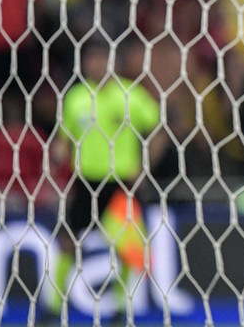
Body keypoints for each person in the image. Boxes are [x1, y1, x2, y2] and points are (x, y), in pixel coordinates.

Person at [48, 39, 162, 314]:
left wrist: (145, 165)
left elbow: (159, 129)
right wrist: (58, 155)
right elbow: (64, 139)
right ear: (85, 64)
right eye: (93, 60)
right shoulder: (76, 98)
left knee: (124, 246)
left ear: (114, 63)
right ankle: (53, 307)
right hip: (86, 181)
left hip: (122, 183)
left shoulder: (132, 95)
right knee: (67, 241)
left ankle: (121, 308)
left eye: (103, 59)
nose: (98, 65)